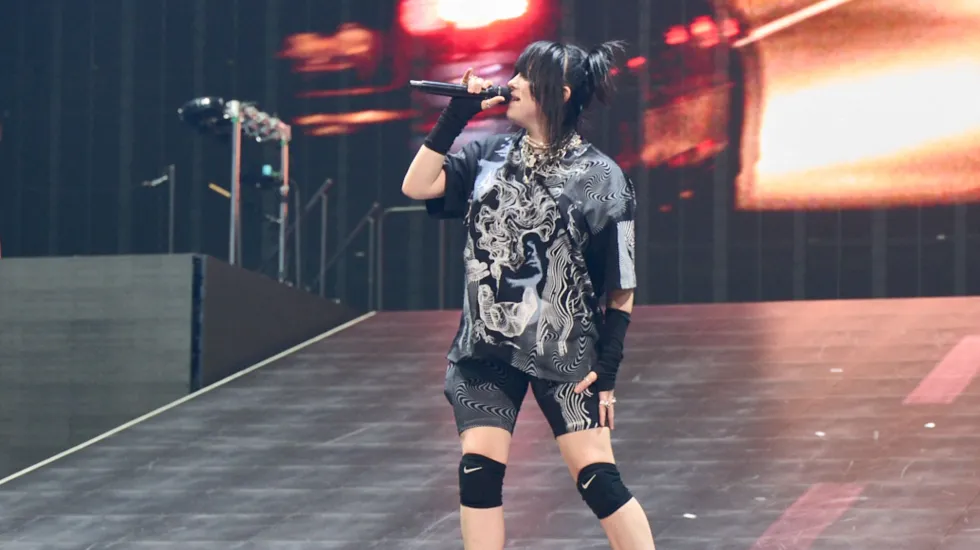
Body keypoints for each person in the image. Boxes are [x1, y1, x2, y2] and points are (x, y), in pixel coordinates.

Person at [401, 40, 656, 550]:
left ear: (559, 93)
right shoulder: (488, 156)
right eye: (514, 72)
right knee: (478, 473)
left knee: (598, 480)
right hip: (486, 346)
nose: (511, 82)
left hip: (564, 348)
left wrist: (608, 370)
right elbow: (417, 186)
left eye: (525, 75)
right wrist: (456, 115)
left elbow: (621, 284)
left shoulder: (602, 177)